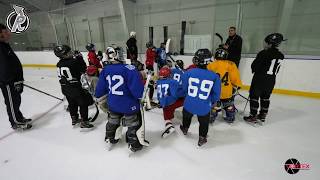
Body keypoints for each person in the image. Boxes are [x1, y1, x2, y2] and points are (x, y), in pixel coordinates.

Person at [95, 46, 147, 152]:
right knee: (133, 123)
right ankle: (134, 144)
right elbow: (137, 91)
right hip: (128, 104)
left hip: (113, 103)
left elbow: (99, 90)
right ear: (118, 54)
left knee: (113, 120)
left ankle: (110, 138)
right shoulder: (130, 69)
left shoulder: (105, 70)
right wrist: (141, 96)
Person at [180, 49, 221, 146]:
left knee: (186, 116)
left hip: (189, 103)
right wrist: (213, 101)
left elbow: (184, 88)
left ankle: (185, 128)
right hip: (204, 106)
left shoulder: (188, 72)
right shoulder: (214, 76)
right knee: (204, 123)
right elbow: (216, 94)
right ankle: (202, 138)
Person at [244, 33, 285, 125]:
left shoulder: (263, 53)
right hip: (271, 80)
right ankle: (262, 115)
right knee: (266, 97)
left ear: (270, 43)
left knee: (254, 97)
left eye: (266, 42)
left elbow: (254, 67)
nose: (264, 44)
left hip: (260, 79)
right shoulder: (281, 55)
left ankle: (253, 116)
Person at [0, 23, 32, 130]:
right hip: (8, 82)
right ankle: (15, 122)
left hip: (14, 81)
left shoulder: (4, 45)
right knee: (12, 102)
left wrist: (18, 79)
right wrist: (10, 80)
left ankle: (18, 117)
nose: (9, 33)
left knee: (16, 100)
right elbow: (3, 67)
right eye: (5, 32)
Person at [54, 45, 94, 129]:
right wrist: (80, 58)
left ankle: (74, 118)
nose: (71, 52)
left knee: (72, 103)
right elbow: (83, 69)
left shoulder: (59, 64)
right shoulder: (73, 62)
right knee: (83, 104)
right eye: (69, 52)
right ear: (64, 55)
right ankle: (84, 121)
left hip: (65, 88)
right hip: (75, 88)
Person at [207, 48, 242, 124]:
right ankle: (230, 116)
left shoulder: (210, 65)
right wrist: (236, 86)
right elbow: (234, 78)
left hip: (215, 91)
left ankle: (212, 116)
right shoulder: (231, 64)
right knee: (229, 104)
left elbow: (208, 78)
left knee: (214, 105)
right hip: (227, 91)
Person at [156, 67, 184, 138]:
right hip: (171, 103)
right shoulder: (173, 82)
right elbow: (177, 94)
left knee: (166, 110)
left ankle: (168, 124)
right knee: (186, 99)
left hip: (163, 103)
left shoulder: (158, 82)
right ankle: (170, 124)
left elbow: (159, 95)